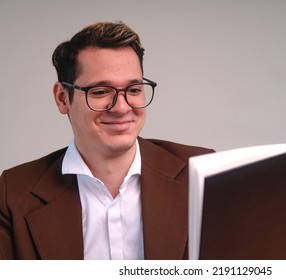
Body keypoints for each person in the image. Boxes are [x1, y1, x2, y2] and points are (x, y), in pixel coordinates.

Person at [0, 21, 214, 260]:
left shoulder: (205, 172)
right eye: (101, 92)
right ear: (62, 98)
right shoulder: (13, 193)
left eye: (133, 90)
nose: (121, 108)